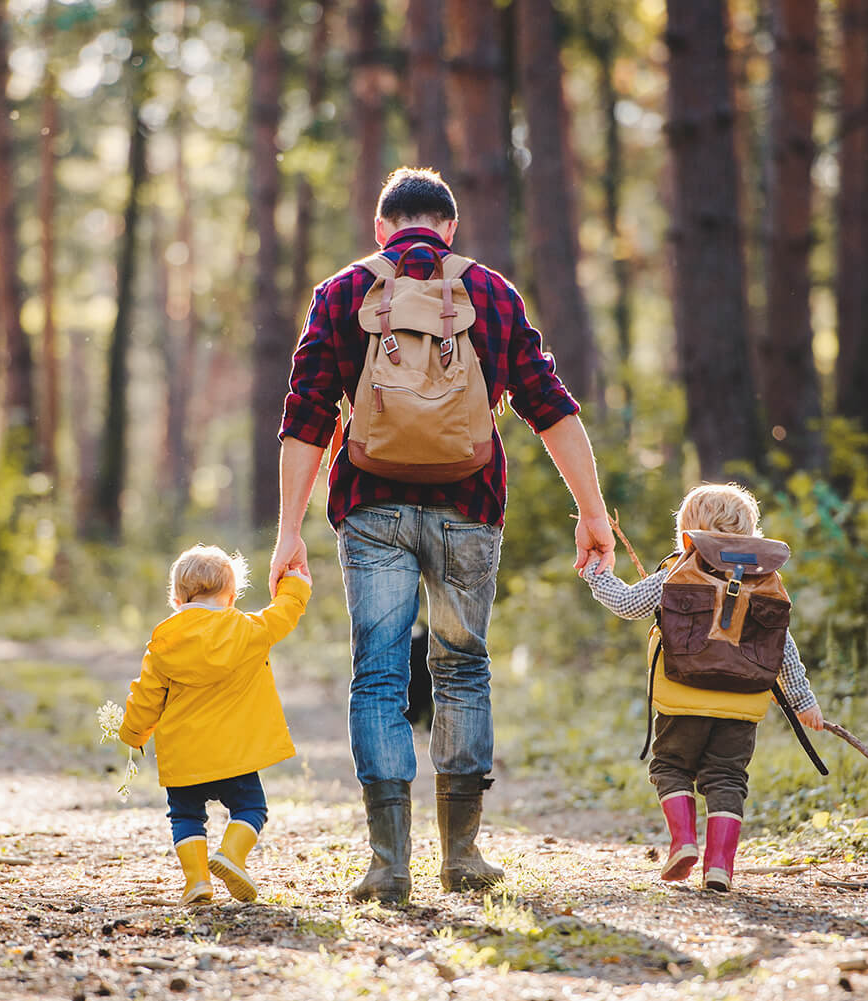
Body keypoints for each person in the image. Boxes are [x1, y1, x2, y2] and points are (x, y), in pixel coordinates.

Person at [270, 166, 616, 904]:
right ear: (450, 229)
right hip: (469, 508)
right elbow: (548, 405)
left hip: (371, 509)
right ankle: (463, 855)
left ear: (380, 228)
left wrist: (286, 533)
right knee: (462, 668)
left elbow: (307, 416)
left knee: (380, 674)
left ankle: (387, 864)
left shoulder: (341, 293)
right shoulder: (490, 292)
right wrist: (592, 512)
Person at [581, 483, 824, 892]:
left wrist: (595, 574)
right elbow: (782, 646)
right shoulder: (764, 580)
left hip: (683, 697)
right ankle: (720, 867)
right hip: (742, 704)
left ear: (687, 534)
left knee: (671, 767)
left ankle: (683, 842)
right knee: (728, 778)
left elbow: (626, 605)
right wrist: (803, 701)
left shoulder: (677, 571)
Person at [117, 544, 311, 905]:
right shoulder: (248, 630)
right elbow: (282, 614)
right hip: (234, 755)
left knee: (186, 815)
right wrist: (295, 585)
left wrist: (133, 733)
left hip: (184, 756)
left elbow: (146, 697)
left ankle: (197, 882)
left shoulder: (163, 642)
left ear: (176, 597)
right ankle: (232, 856)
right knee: (251, 808)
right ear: (231, 597)